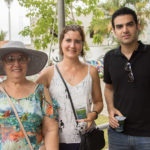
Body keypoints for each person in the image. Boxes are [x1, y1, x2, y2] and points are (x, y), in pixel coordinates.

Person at [36, 24, 103, 150]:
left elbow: (98, 102)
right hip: (57, 141)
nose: (72, 45)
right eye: (68, 40)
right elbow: (32, 99)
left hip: (86, 141)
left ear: (82, 45)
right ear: (61, 42)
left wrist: (93, 114)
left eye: (77, 41)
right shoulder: (49, 73)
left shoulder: (92, 71)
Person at [104, 7, 150, 150]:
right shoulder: (109, 57)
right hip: (118, 134)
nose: (125, 30)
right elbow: (109, 88)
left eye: (129, 24)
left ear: (138, 26)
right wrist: (111, 109)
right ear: (114, 31)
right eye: (119, 26)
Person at [0, 41, 59, 150]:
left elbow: (50, 130)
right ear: (3, 63)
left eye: (21, 58)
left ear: (27, 61)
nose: (16, 64)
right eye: (10, 59)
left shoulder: (41, 92)